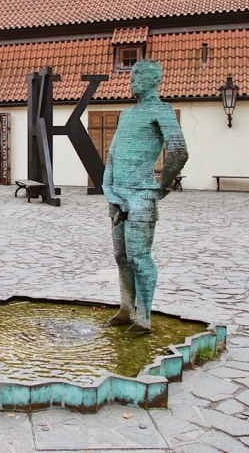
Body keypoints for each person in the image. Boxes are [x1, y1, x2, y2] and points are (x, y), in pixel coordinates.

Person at [102, 59, 188, 335]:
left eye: (139, 76)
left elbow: (178, 150)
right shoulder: (127, 115)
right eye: (132, 76)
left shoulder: (161, 111)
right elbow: (112, 155)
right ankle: (126, 308)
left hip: (141, 197)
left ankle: (144, 319)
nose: (132, 80)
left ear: (154, 80)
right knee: (121, 256)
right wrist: (109, 190)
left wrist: (161, 186)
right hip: (118, 196)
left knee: (140, 257)